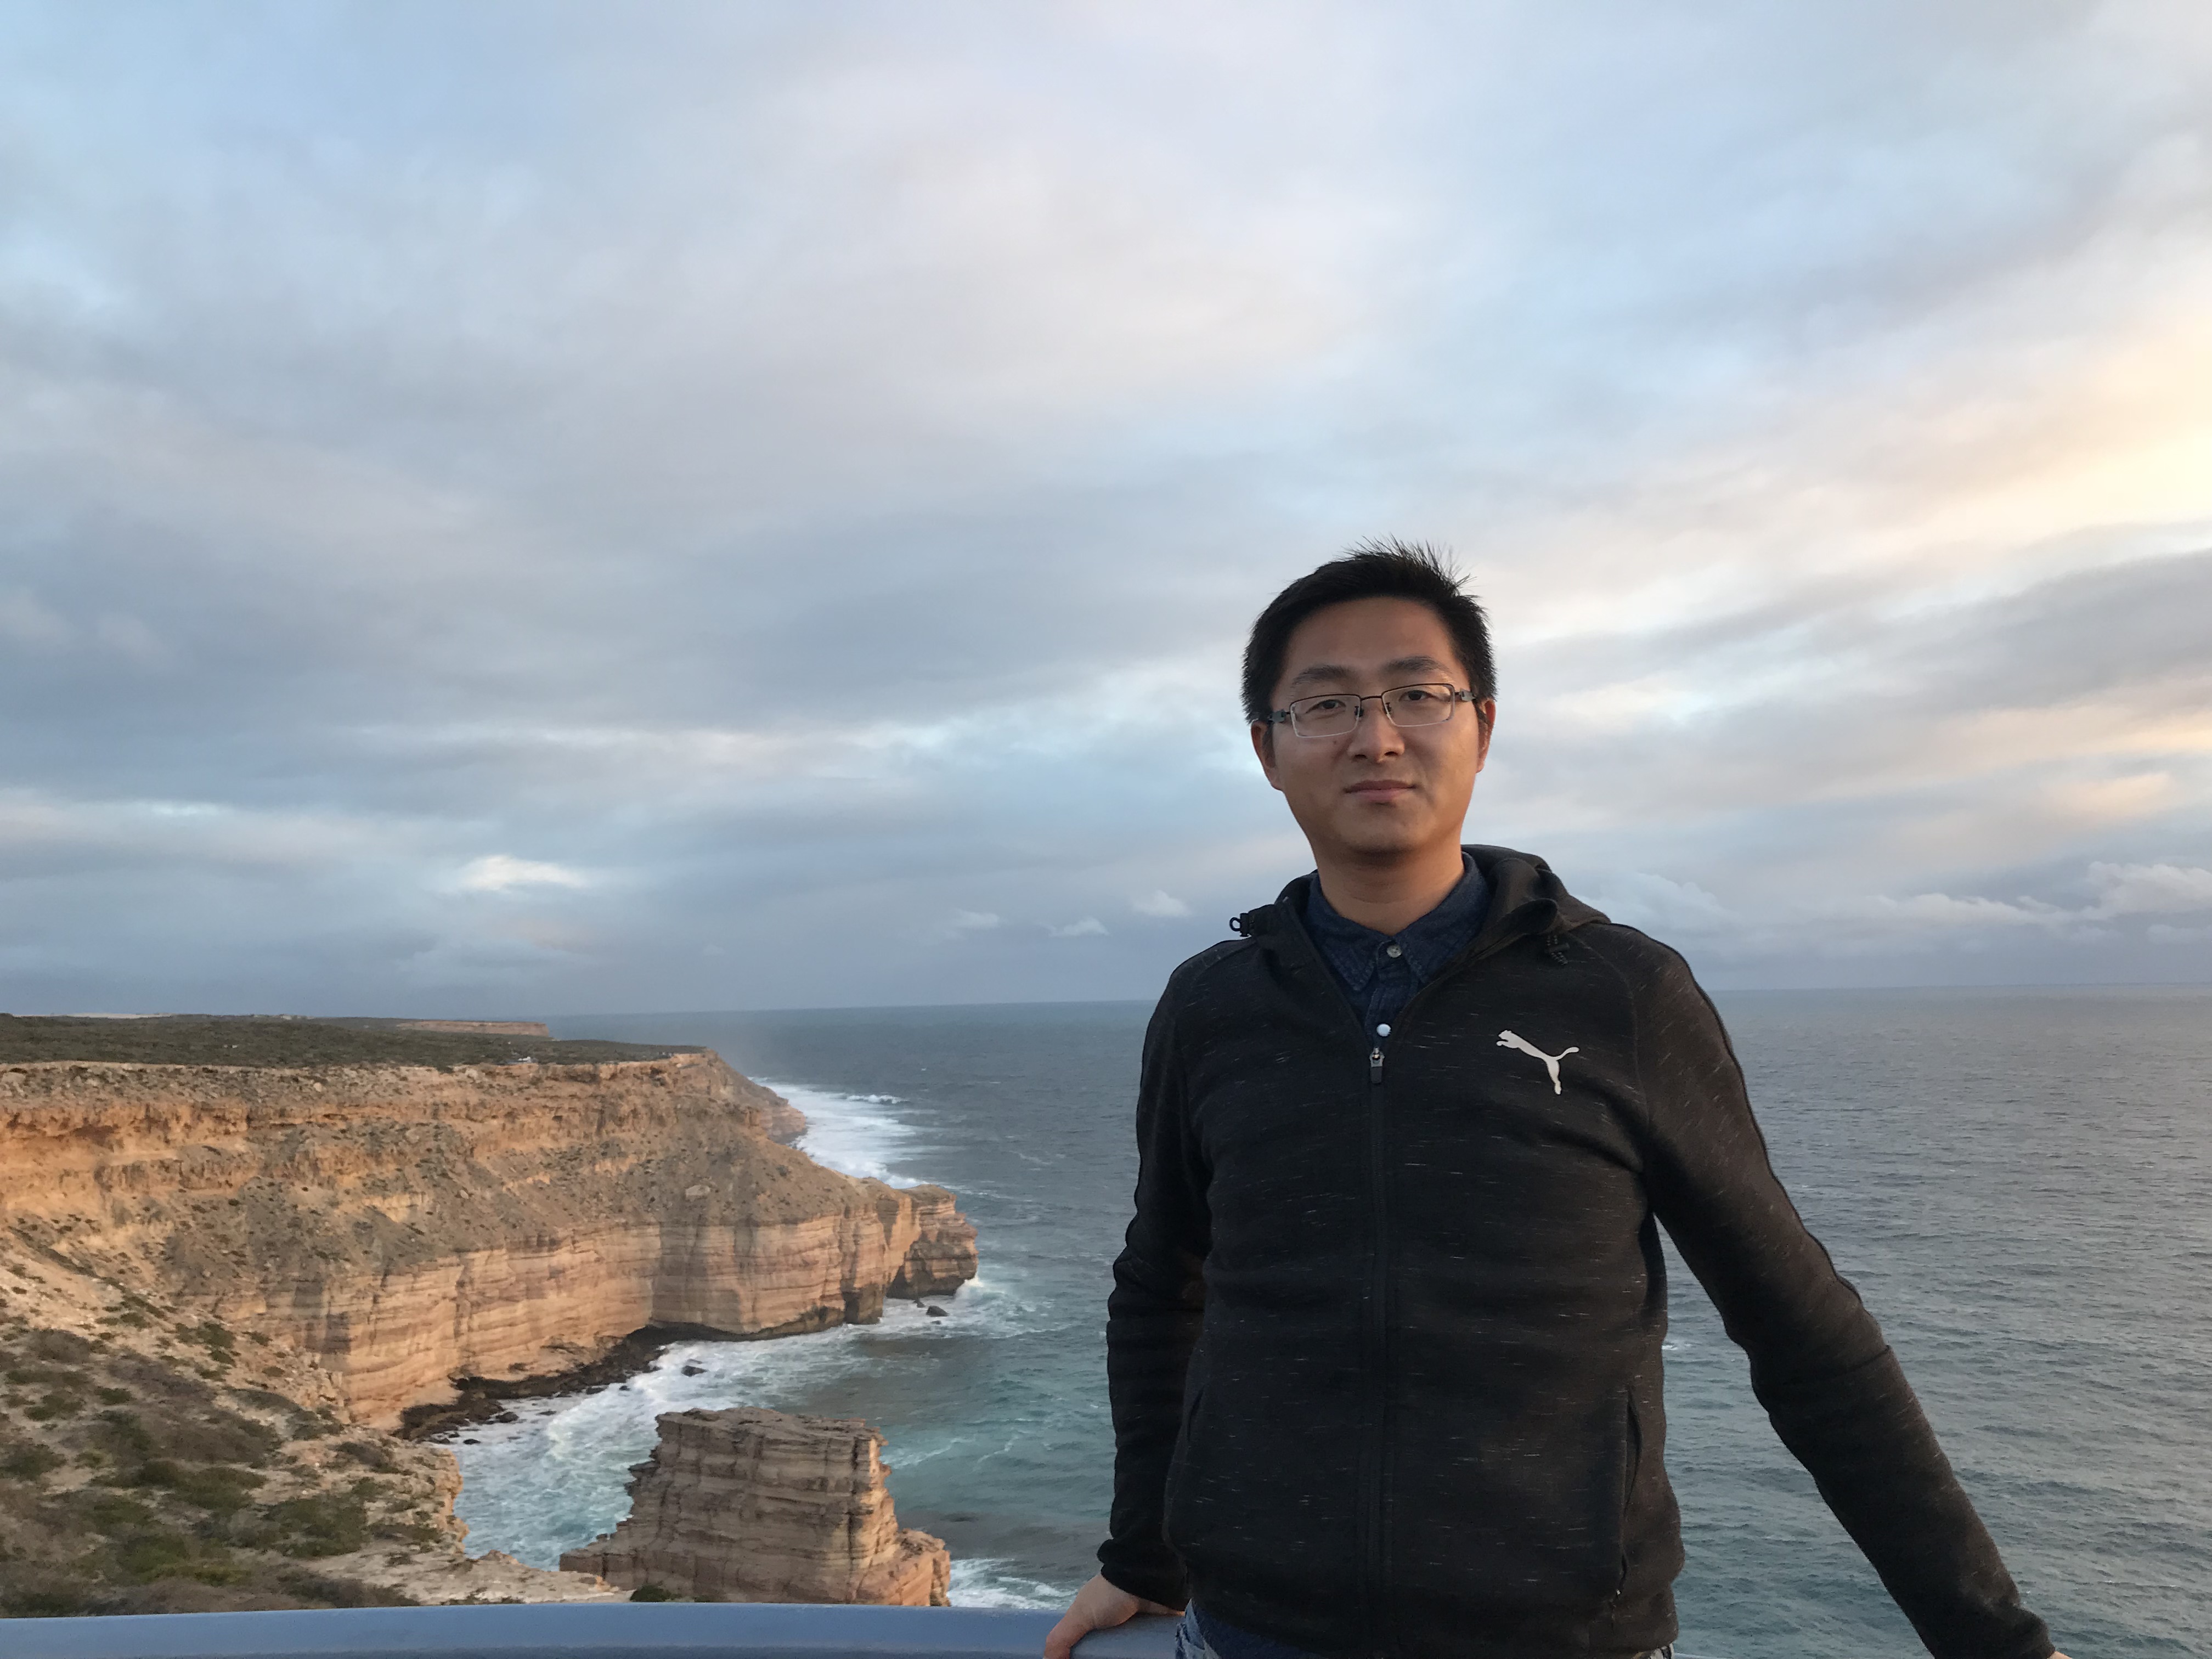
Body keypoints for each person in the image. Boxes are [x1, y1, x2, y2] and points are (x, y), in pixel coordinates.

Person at [1043, 543, 2063, 1659]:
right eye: (1325, 705)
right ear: (1267, 751)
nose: (1376, 737)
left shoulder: (1624, 994)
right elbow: (1164, 1288)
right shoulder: (1213, 1006)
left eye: (1417, 695)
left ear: (1482, 726)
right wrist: (1142, 1559)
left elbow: (1800, 1327)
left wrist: (1992, 1640)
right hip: (1254, 1634)